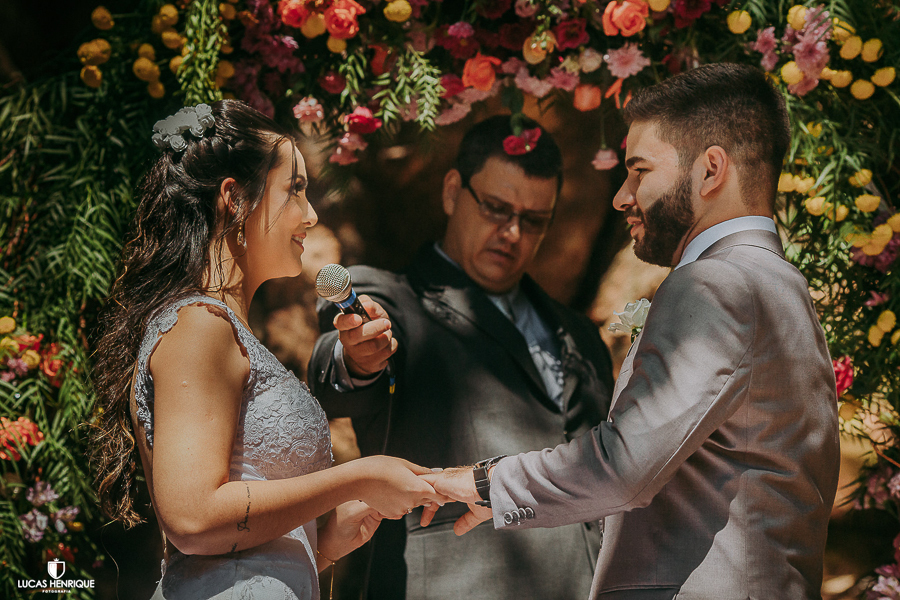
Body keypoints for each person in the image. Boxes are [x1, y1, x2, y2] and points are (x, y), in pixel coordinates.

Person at [420, 63, 841, 600]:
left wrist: (483, 484)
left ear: (711, 170)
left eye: (639, 171)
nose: (622, 196)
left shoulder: (715, 283)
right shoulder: (782, 287)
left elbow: (623, 466)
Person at [90, 100, 446, 600]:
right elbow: (192, 519)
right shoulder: (199, 326)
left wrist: (321, 543)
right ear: (234, 199)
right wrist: (356, 478)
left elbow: (237, 558)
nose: (312, 214)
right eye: (295, 191)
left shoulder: (227, 330)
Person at [308, 115, 615, 599]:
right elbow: (347, 359)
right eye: (496, 208)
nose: (513, 233)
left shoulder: (581, 334)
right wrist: (360, 356)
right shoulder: (393, 299)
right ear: (453, 191)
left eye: (533, 220)